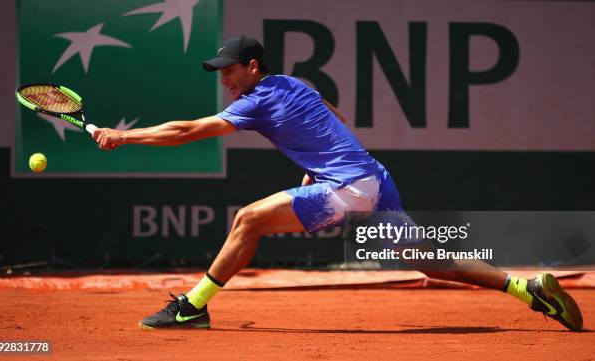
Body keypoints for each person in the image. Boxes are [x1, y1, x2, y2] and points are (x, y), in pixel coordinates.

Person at [92, 35, 583, 332]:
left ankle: (191, 309)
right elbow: (334, 116)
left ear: (253, 68)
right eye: (220, 73)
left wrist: (124, 136)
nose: (225, 80)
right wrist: (320, 163)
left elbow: (188, 131)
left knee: (248, 219)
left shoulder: (258, 98)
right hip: (371, 176)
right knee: (427, 259)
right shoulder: (294, 84)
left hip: (352, 183)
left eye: (229, 71)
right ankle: (526, 287)